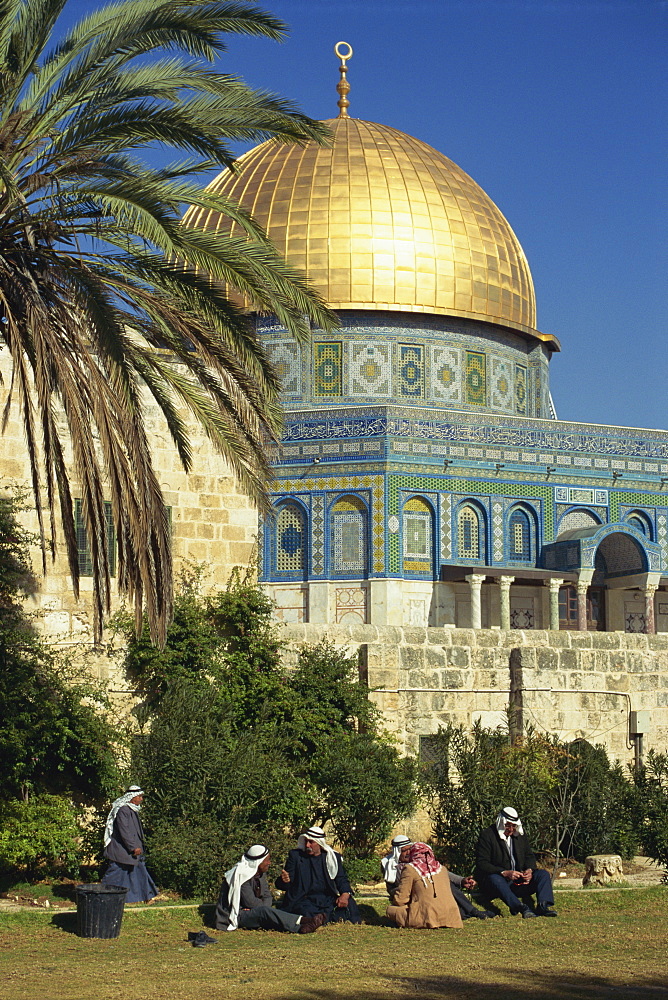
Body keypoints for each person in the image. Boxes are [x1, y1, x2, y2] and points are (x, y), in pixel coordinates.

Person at [215, 844, 324, 934]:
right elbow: (251, 902)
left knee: (266, 912)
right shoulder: (241, 876)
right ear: (258, 862)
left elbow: (268, 897)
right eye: (267, 860)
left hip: (253, 911)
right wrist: (257, 909)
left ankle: (303, 925)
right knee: (265, 911)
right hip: (236, 915)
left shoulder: (261, 874)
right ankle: (303, 924)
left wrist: (258, 908)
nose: (269, 863)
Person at [382, 836, 495, 920]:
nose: (408, 853)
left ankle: (473, 911)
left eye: (409, 850)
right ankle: (471, 913)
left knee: (446, 885)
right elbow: (392, 890)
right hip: (412, 898)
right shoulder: (388, 866)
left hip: (430, 891)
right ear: (397, 852)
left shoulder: (416, 860)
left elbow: (440, 872)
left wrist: (461, 880)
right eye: (404, 851)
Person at [474, 806, 557, 918]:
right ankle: (520, 907)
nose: (511, 829)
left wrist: (529, 870)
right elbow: (482, 863)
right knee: (495, 878)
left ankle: (543, 906)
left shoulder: (519, 836)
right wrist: (504, 872)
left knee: (543, 874)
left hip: (517, 881)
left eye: (514, 826)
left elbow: (529, 856)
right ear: (501, 823)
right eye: (508, 825)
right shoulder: (488, 835)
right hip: (497, 882)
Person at [276, 825, 361, 925]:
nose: (307, 845)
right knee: (306, 912)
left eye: (311, 842)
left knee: (349, 904)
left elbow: (341, 879)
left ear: (320, 844)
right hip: (304, 899)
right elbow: (286, 884)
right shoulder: (296, 857)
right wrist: (284, 881)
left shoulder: (332, 858)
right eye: (306, 841)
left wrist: (345, 894)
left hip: (326, 899)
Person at [386, 841, 463, 930]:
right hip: (451, 917)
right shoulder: (442, 868)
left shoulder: (410, 869)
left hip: (428, 915)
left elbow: (401, 899)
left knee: (391, 910)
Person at [101, 785, 158, 903]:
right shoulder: (123, 810)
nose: (141, 799)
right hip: (121, 851)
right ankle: (103, 896)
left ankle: (147, 897)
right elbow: (124, 831)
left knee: (139, 871)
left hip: (130, 850)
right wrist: (133, 847)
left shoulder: (131, 810)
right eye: (140, 796)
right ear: (132, 798)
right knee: (115, 873)